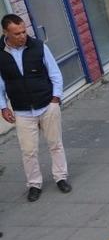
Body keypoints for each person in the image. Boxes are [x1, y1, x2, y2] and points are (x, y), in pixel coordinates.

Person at [0, 14, 70, 202]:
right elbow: (0, 83)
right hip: (22, 110)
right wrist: (2, 107)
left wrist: (56, 99)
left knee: (55, 144)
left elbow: (55, 73)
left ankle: (61, 177)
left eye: (24, 31)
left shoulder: (39, 47)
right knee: (28, 151)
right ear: (6, 33)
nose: (22, 36)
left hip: (47, 104)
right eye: (17, 33)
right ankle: (34, 184)